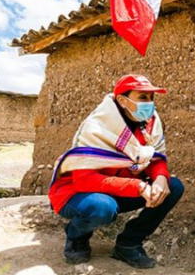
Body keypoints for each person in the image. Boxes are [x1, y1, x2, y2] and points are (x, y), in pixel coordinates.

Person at [48, 74, 184, 269]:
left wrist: (161, 179)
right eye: (143, 97)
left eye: (152, 98)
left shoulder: (149, 125)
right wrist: (138, 186)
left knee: (174, 187)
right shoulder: (97, 128)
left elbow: (154, 159)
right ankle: (76, 236)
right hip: (77, 194)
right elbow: (84, 181)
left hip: (117, 191)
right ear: (122, 99)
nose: (150, 104)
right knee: (102, 207)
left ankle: (128, 244)